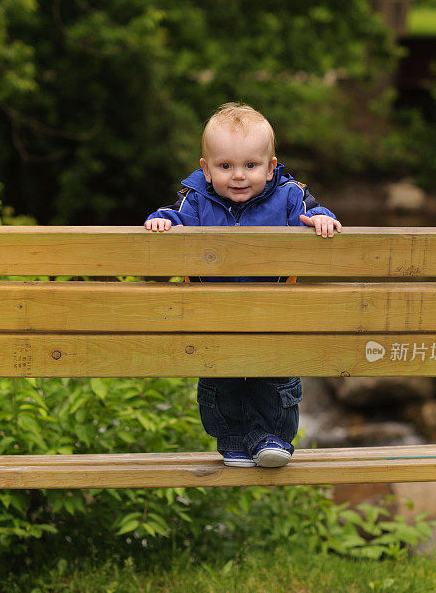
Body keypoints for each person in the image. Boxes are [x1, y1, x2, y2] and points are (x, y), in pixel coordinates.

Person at [144, 103, 341, 468]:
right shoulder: (196, 200)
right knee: (223, 382)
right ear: (205, 169)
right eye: (225, 166)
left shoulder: (290, 197)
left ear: (270, 168)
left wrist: (320, 219)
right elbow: (176, 216)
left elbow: (314, 211)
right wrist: (163, 222)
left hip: (272, 313)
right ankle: (234, 439)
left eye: (250, 166)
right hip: (217, 315)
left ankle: (272, 438)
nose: (238, 176)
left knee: (273, 376)